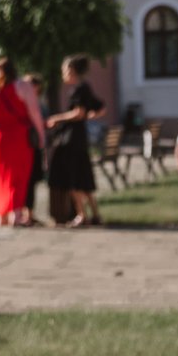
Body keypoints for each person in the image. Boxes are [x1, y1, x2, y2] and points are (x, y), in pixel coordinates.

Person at [0, 54, 46, 226]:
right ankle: (16, 213)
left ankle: (2, 215)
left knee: (0, 176)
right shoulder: (23, 86)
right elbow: (35, 112)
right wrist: (41, 134)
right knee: (19, 175)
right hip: (19, 136)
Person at [46, 54, 105, 228]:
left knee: (72, 178)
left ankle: (81, 215)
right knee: (83, 178)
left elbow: (78, 113)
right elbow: (101, 107)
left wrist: (58, 118)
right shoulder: (85, 87)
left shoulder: (78, 90)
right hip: (80, 138)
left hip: (72, 139)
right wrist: (92, 115)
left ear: (71, 70)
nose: (63, 74)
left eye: (64, 70)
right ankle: (95, 214)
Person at [22, 72, 49, 220]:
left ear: (36, 87)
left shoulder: (37, 104)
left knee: (31, 180)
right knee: (28, 180)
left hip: (33, 144)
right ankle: (27, 213)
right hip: (28, 144)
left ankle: (29, 213)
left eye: (28, 84)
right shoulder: (31, 102)